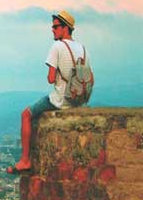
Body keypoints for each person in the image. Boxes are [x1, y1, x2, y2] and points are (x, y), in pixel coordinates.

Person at [7, 10, 89, 174]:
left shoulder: (57, 46)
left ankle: (25, 160)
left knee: (26, 114)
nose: (53, 30)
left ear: (66, 28)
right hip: (79, 100)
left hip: (61, 100)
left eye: (56, 27)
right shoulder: (82, 48)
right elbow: (89, 77)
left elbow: (51, 79)